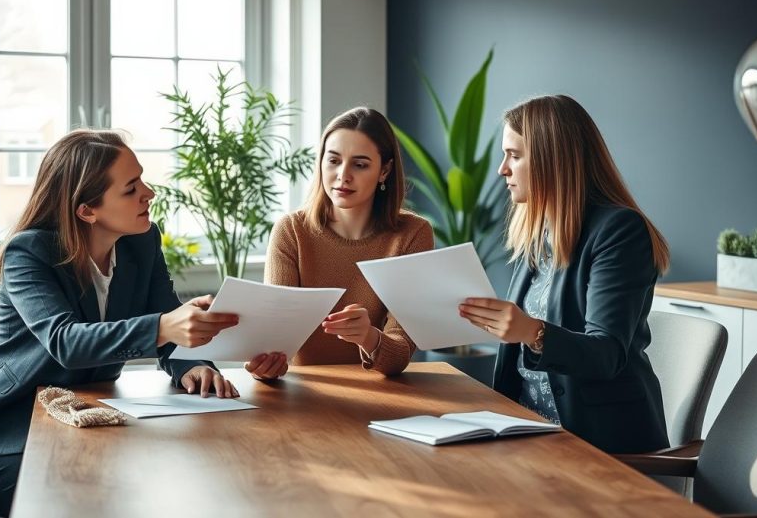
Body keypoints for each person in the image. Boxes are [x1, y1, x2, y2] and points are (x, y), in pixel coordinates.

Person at [0, 130, 240, 515]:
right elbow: (66, 342)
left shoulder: (142, 241)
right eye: (131, 188)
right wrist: (162, 328)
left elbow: (166, 314)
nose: (149, 193)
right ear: (87, 209)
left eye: (142, 179)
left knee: (180, 475)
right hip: (6, 440)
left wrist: (193, 364)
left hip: (91, 422)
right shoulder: (29, 253)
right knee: (127, 495)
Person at [458, 95, 670, 454]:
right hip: (529, 433)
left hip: (600, 445)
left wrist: (530, 331)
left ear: (550, 160)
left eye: (515, 155)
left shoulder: (619, 230)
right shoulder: (541, 232)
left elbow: (607, 355)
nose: (502, 170)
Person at [247, 107, 434, 380]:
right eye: (333, 160)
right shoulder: (291, 231)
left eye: (359, 165)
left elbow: (400, 354)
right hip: (302, 392)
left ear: (385, 170)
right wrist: (263, 367)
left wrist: (368, 337)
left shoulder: (413, 234)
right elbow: (273, 341)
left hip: (380, 395)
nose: (343, 175)